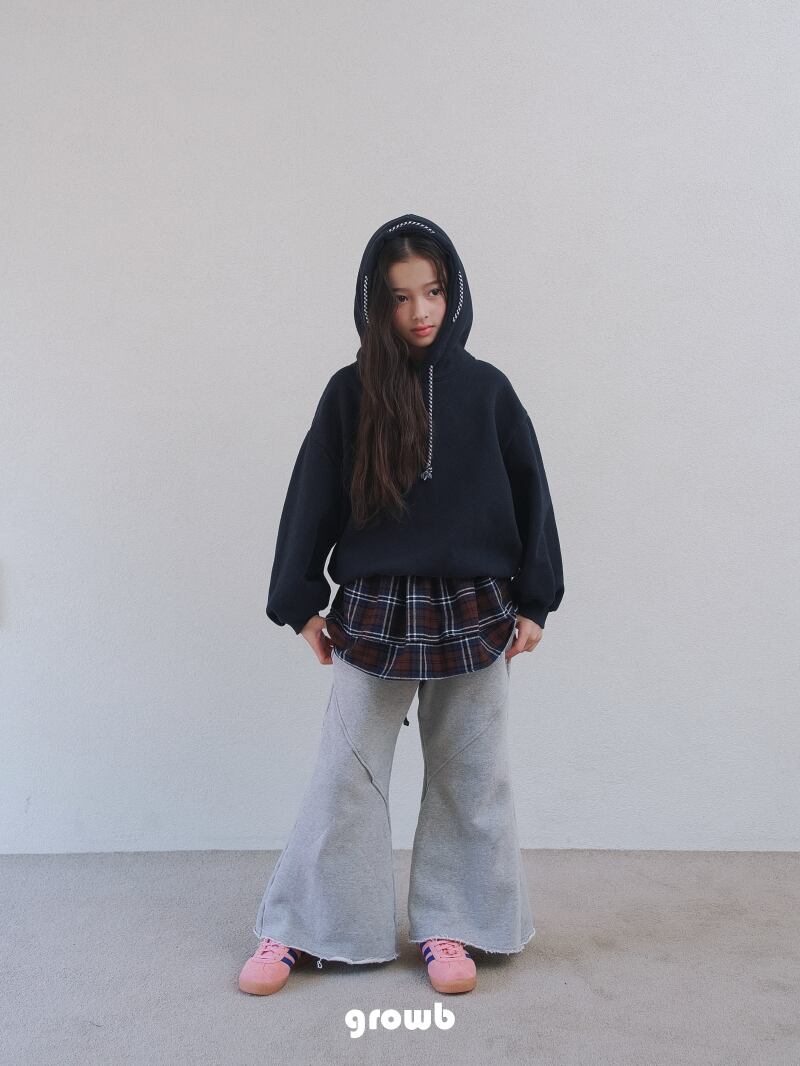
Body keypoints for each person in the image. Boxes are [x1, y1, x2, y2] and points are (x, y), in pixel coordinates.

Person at [238, 212, 565, 997]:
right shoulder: (350, 393)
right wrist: (300, 603)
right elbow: (312, 495)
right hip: (375, 608)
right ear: (374, 303)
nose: (421, 312)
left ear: (454, 293)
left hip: (476, 607)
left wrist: (536, 601)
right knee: (345, 773)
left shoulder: (488, 391)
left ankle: (455, 922)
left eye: (434, 291)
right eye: (400, 296)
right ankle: (305, 924)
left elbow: (533, 495)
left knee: (471, 772)